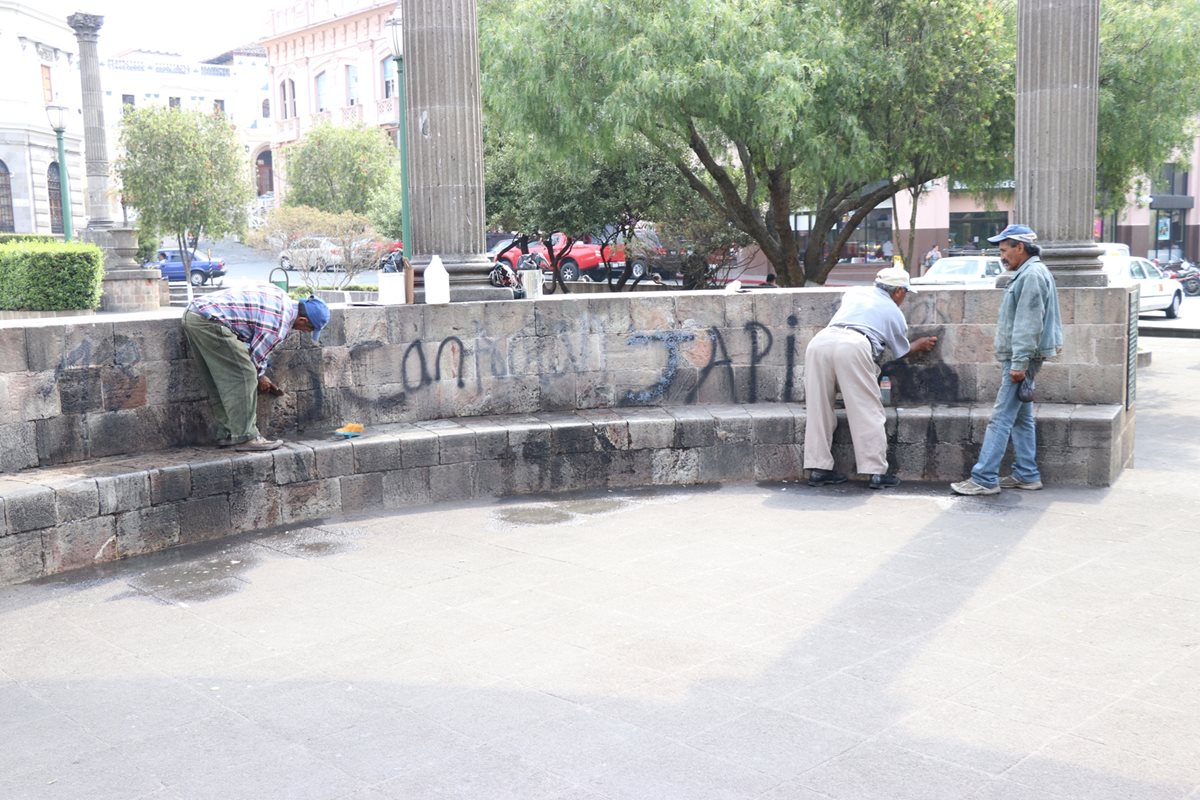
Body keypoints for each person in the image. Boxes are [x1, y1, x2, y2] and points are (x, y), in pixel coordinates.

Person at [951, 224, 1062, 495]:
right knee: (1022, 419)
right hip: (1021, 358)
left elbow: (1029, 322)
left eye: (1004, 250)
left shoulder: (1032, 275)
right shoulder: (1030, 272)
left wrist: (1019, 364)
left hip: (1021, 360)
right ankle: (1027, 474)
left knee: (1000, 419)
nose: (1002, 257)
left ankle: (984, 478)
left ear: (1019, 247)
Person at [804, 266, 938, 489]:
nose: (904, 298)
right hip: (854, 344)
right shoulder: (893, 311)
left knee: (818, 408)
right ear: (897, 291)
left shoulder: (855, 292)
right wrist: (921, 344)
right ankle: (875, 471)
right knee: (866, 409)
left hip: (820, 342)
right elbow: (901, 352)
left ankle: (818, 469)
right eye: (904, 293)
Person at [182, 284, 330, 451]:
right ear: (303, 320)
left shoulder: (282, 298)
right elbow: (255, 358)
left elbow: (252, 340)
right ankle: (246, 437)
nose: (305, 332)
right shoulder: (277, 326)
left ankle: (228, 433)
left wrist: (260, 373)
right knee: (244, 375)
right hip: (209, 321)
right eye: (308, 329)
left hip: (195, 314)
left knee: (220, 377)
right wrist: (260, 376)